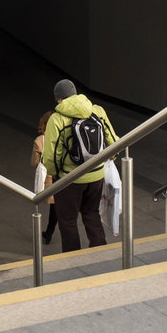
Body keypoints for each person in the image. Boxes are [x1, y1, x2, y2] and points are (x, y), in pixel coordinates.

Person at [42, 79, 119, 253]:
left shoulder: (57, 119)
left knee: (68, 221)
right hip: (96, 175)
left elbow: (51, 156)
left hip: (69, 179)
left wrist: (56, 175)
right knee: (91, 213)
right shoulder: (97, 111)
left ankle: (73, 258)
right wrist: (106, 161)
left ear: (59, 99)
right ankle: (100, 253)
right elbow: (114, 142)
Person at [31, 111, 58, 245]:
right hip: (63, 175)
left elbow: (34, 162)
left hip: (48, 179)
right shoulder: (62, 136)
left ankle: (48, 233)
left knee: (54, 205)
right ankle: (49, 231)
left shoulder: (39, 141)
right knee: (58, 208)